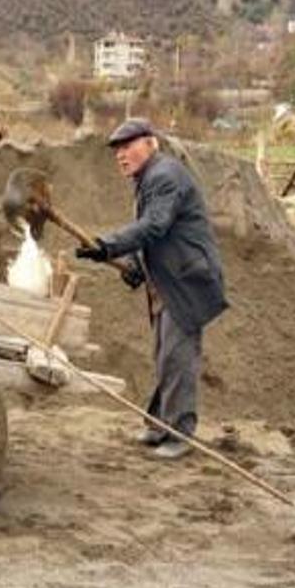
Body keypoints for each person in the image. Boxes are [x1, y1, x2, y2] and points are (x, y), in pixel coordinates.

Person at [75, 118, 228, 460]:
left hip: (186, 281)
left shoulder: (165, 176)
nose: (121, 155)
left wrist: (108, 245)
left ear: (151, 144)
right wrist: (133, 266)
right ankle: (160, 425)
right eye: (117, 150)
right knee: (164, 356)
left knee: (177, 357)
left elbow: (155, 226)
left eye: (129, 146)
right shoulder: (148, 181)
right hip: (168, 280)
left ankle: (179, 433)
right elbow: (153, 234)